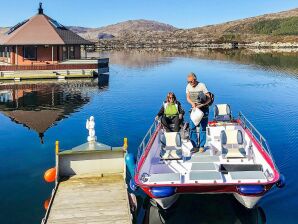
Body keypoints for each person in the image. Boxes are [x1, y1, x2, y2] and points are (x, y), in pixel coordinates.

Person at [186, 72, 212, 153]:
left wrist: (201, 105)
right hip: (194, 110)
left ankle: (201, 146)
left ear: (195, 79)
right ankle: (195, 146)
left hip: (203, 109)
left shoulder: (202, 85)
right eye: (188, 82)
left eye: (191, 81)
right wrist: (192, 103)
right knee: (192, 128)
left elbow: (209, 99)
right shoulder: (188, 86)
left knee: (203, 128)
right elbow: (188, 98)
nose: (190, 83)